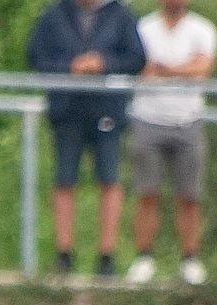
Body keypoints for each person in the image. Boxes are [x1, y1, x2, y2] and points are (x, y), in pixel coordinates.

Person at [26, 0, 147, 278]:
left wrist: (104, 64)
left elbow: (136, 59)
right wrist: (70, 66)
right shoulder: (54, 15)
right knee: (64, 180)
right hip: (67, 111)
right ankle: (64, 255)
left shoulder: (121, 15)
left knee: (110, 179)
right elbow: (36, 57)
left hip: (107, 110)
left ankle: (107, 257)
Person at [123, 0, 217, 287]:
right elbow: (137, 67)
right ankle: (144, 258)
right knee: (147, 193)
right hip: (147, 119)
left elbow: (202, 68)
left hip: (188, 121)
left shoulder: (203, 29)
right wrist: (180, 70)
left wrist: (164, 70)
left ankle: (190, 260)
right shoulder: (142, 28)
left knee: (190, 196)